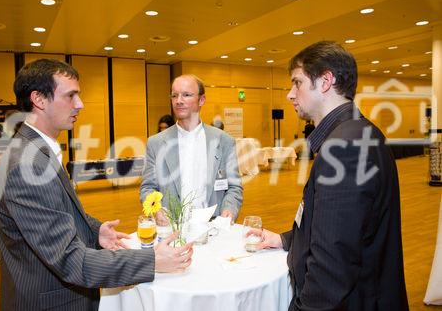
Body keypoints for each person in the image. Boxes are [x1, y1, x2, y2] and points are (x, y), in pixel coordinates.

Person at [0, 59, 193, 311]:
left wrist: (95, 230)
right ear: (39, 100)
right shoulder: (27, 166)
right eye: (71, 96)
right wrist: (151, 260)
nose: (80, 104)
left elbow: (58, 211)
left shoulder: (37, 151)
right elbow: (70, 260)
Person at [248, 41, 408, 310]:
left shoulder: (344, 148)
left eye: (297, 83)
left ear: (325, 81)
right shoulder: (359, 131)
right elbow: (343, 228)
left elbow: (332, 270)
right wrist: (285, 240)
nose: (290, 94)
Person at [140, 74, 243, 224]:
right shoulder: (155, 143)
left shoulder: (224, 141)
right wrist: (157, 211)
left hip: (213, 228)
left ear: (202, 100)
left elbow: (234, 187)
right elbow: (148, 188)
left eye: (186, 95)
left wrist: (229, 211)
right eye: (174, 95)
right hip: (172, 230)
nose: (179, 101)